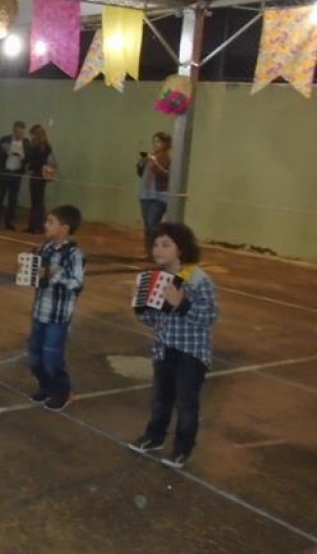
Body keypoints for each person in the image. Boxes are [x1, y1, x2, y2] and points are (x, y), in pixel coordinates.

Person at [127, 223, 218, 469]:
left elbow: (208, 317)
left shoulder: (198, 280)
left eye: (166, 244)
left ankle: (182, 448)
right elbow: (153, 321)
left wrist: (182, 304)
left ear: (181, 250)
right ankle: (154, 436)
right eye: (155, 244)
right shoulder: (157, 279)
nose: (158, 249)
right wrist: (140, 306)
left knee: (186, 403)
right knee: (160, 398)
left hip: (191, 353)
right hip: (164, 349)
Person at [27, 205, 85, 411]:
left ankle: (62, 392)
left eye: (50, 222)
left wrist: (55, 274)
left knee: (52, 358)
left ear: (64, 228)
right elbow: (37, 276)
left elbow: (77, 282)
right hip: (40, 311)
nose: (45, 225)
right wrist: (29, 272)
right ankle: (46, 386)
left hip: (57, 317)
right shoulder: (45, 248)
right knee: (34, 355)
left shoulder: (73, 254)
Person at [137, 132, 172, 259]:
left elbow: (167, 176)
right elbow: (141, 174)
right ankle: (149, 251)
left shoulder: (168, 158)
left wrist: (155, 164)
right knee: (147, 225)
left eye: (159, 142)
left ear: (166, 144)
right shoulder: (151, 157)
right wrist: (141, 164)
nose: (156, 144)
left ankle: (158, 251)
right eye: (154, 141)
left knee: (153, 225)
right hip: (146, 194)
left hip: (159, 196)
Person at [0, 121, 30, 230]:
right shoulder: (5, 139)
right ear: (14, 131)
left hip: (17, 174)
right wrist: (4, 151)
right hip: (5, 172)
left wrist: (24, 158)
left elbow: (30, 156)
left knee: (13, 199)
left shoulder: (26, 143)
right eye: (18, 132)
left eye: (22, 133)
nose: (20, 135)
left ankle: (9, 223)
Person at [25, 125, 58, 234]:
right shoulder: (45, 146)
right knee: (37, 201)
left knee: (37, 202)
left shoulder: (40, 147)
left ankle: (36, 226)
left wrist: (29, 164)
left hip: (37, 175)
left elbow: (35, 161)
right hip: (39, 175)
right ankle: (35, 225)